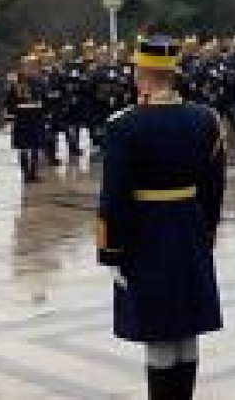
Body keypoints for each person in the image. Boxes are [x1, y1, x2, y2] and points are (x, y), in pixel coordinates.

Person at [96, 35, 226, 399]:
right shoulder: (206, 120)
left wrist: (111, 252)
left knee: (159, 333)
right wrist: (207, 233)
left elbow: (115, 197)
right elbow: (214, 190)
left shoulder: (124, 125)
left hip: (147, 236)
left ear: (143, 73)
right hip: (189, 229)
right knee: (186, 331)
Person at [5, 55, 49, 183]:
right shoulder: (16, 82)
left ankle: (33, 172)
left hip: (36, 117)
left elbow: (45, 98)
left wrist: (45, 110)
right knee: (23, 147)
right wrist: (11, 112)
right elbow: (9, 101)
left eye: (33, 66)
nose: (30, 68)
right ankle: (25, 173)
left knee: (36, 146)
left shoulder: (40, 81)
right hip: (22, 118)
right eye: (27, 66)